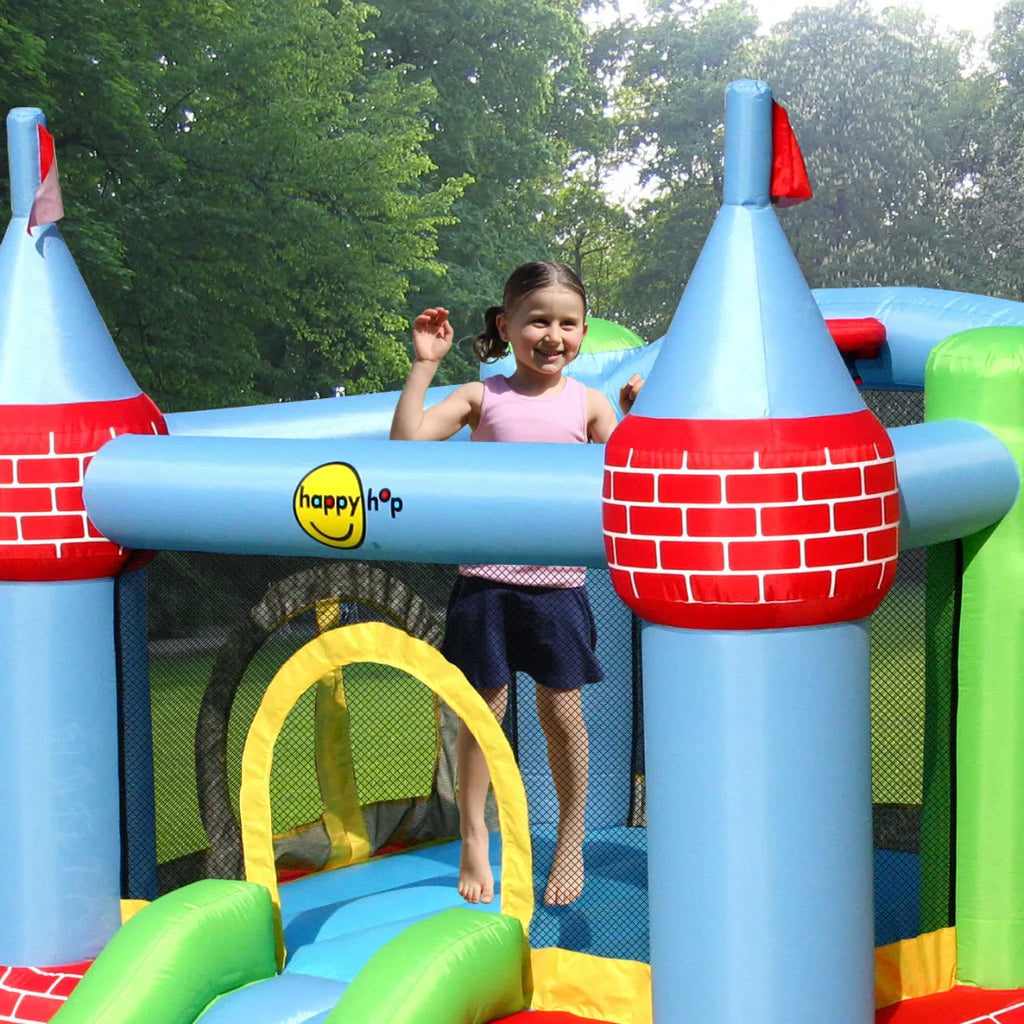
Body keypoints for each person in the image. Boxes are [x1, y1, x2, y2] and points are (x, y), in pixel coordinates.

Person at [390, 261, 642, 908]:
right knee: (484, 711)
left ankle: (569, 835)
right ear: (506, 327)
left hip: (557, 585)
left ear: (583, 329)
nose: (553, 334)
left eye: (567, 322)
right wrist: (424, 365)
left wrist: (639, 416)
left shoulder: (588, 404)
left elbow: (634, 472)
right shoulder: (484, 397)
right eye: (537, 321)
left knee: (562, 715)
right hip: (487, 582)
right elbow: (408, 444)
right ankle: (475, 832)